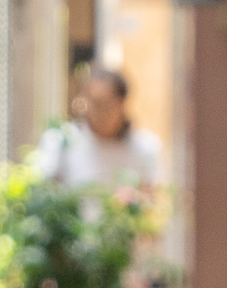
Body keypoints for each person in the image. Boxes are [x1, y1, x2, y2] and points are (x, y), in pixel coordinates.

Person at [29, 62, 164, 195]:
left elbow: (153, 201)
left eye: (106, 105)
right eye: (93, 104)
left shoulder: (144, 148)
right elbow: (39, 188)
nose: (99, 113)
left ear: (121, 104)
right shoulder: (62, 141)